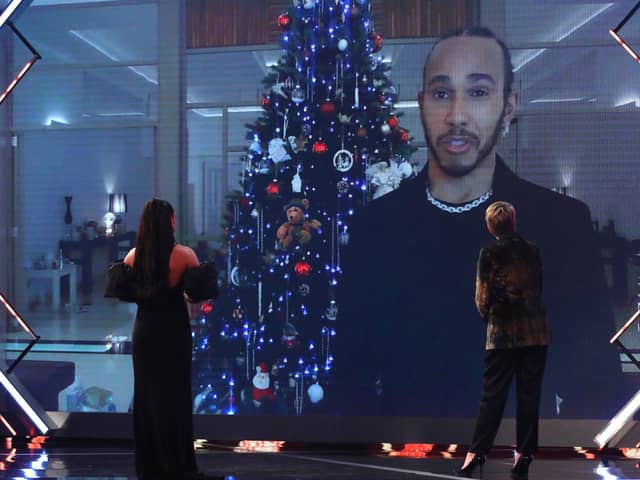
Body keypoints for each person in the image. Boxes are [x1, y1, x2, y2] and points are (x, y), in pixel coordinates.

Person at [336, 26, 626, 418]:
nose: (456, 116)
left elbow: (595, 390)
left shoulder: (560, 226)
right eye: (442, 94)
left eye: (477, 92)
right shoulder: (377, 228)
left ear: (508, 107)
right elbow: (350, 386)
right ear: (422, 104)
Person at [105, 198, 222, 480]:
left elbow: (125, 292)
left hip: (145, 333)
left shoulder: (133, 257)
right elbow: (197, 295)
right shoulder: (184, 255)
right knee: (175, 398)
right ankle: (178, 466)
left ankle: (151, 467)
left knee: (148, 399)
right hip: (173, 332)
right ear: (170, 221)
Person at [457, 202, 548, 479]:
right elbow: (538, 288)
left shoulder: (489, 253)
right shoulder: (533, 250)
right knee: (529, 394)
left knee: (493, 396)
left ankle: (476, 453)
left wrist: (491, 317)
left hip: (502, 333)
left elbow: (482, 297)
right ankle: (524, 454)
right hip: (535, 332)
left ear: (490, 226)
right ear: (514, 221)